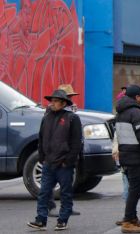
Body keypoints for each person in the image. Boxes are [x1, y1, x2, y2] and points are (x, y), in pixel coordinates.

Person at [27, 89, 82, 231]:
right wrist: (42, 158)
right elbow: (41, 138)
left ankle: (62, 220)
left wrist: (68, 161)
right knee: (44, 193)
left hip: (64, 164)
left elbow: (77, 143)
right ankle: (40, 220)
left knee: (65, 193)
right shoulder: (47, 117)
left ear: (63, 103)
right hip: (48, 163)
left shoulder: (72, 118)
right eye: (52, 101)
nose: (53, 103)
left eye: (56, 101)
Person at [115, 85, 140, 233]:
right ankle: (128, 221)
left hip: (125, 156)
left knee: (133, 189)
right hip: (136, 157)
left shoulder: (120, 113)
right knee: (135, 190)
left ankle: (132, 218)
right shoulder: (137, 113)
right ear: (137, 97)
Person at [46, 84, 82, 218]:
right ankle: (50, 207)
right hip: (58, 154)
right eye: (70, 96)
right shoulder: (51, 111)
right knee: (50, 183)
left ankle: (67, 207)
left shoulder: (70, 110)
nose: (72, 98)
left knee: (67, 183)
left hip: (69, 151)